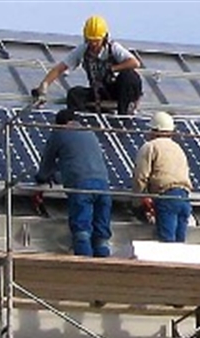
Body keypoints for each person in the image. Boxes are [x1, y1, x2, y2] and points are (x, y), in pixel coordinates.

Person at [35, 108, 112, 257]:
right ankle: (104, 263)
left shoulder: (59, 134)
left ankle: (84, 263)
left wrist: (42, 177)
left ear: (60, 124)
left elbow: (47, 162)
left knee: (82, 229)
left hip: (81, 185)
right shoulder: (90, 133)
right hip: (103, 185)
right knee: (101, 232)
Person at [32, 15, 143, 115]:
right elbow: (59, 68)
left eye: (96, 41)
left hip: (119, 90)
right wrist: (44, 85)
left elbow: (134, 63)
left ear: (104, 38)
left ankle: (124, 115)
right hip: (100, 91)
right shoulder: (83, 50)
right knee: (75, 93)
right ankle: (81, 123)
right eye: (90, 41)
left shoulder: (113, 48)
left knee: (129, 76)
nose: (93, 44)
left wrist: (112, 69)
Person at [132, 111, 193, 243]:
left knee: (167, 243)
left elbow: (140, 177)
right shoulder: (178, 148)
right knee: (179, 243)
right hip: (185, 198)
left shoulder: (150, 147)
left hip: (167, 198)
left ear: (155, 130)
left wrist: (137, 202)